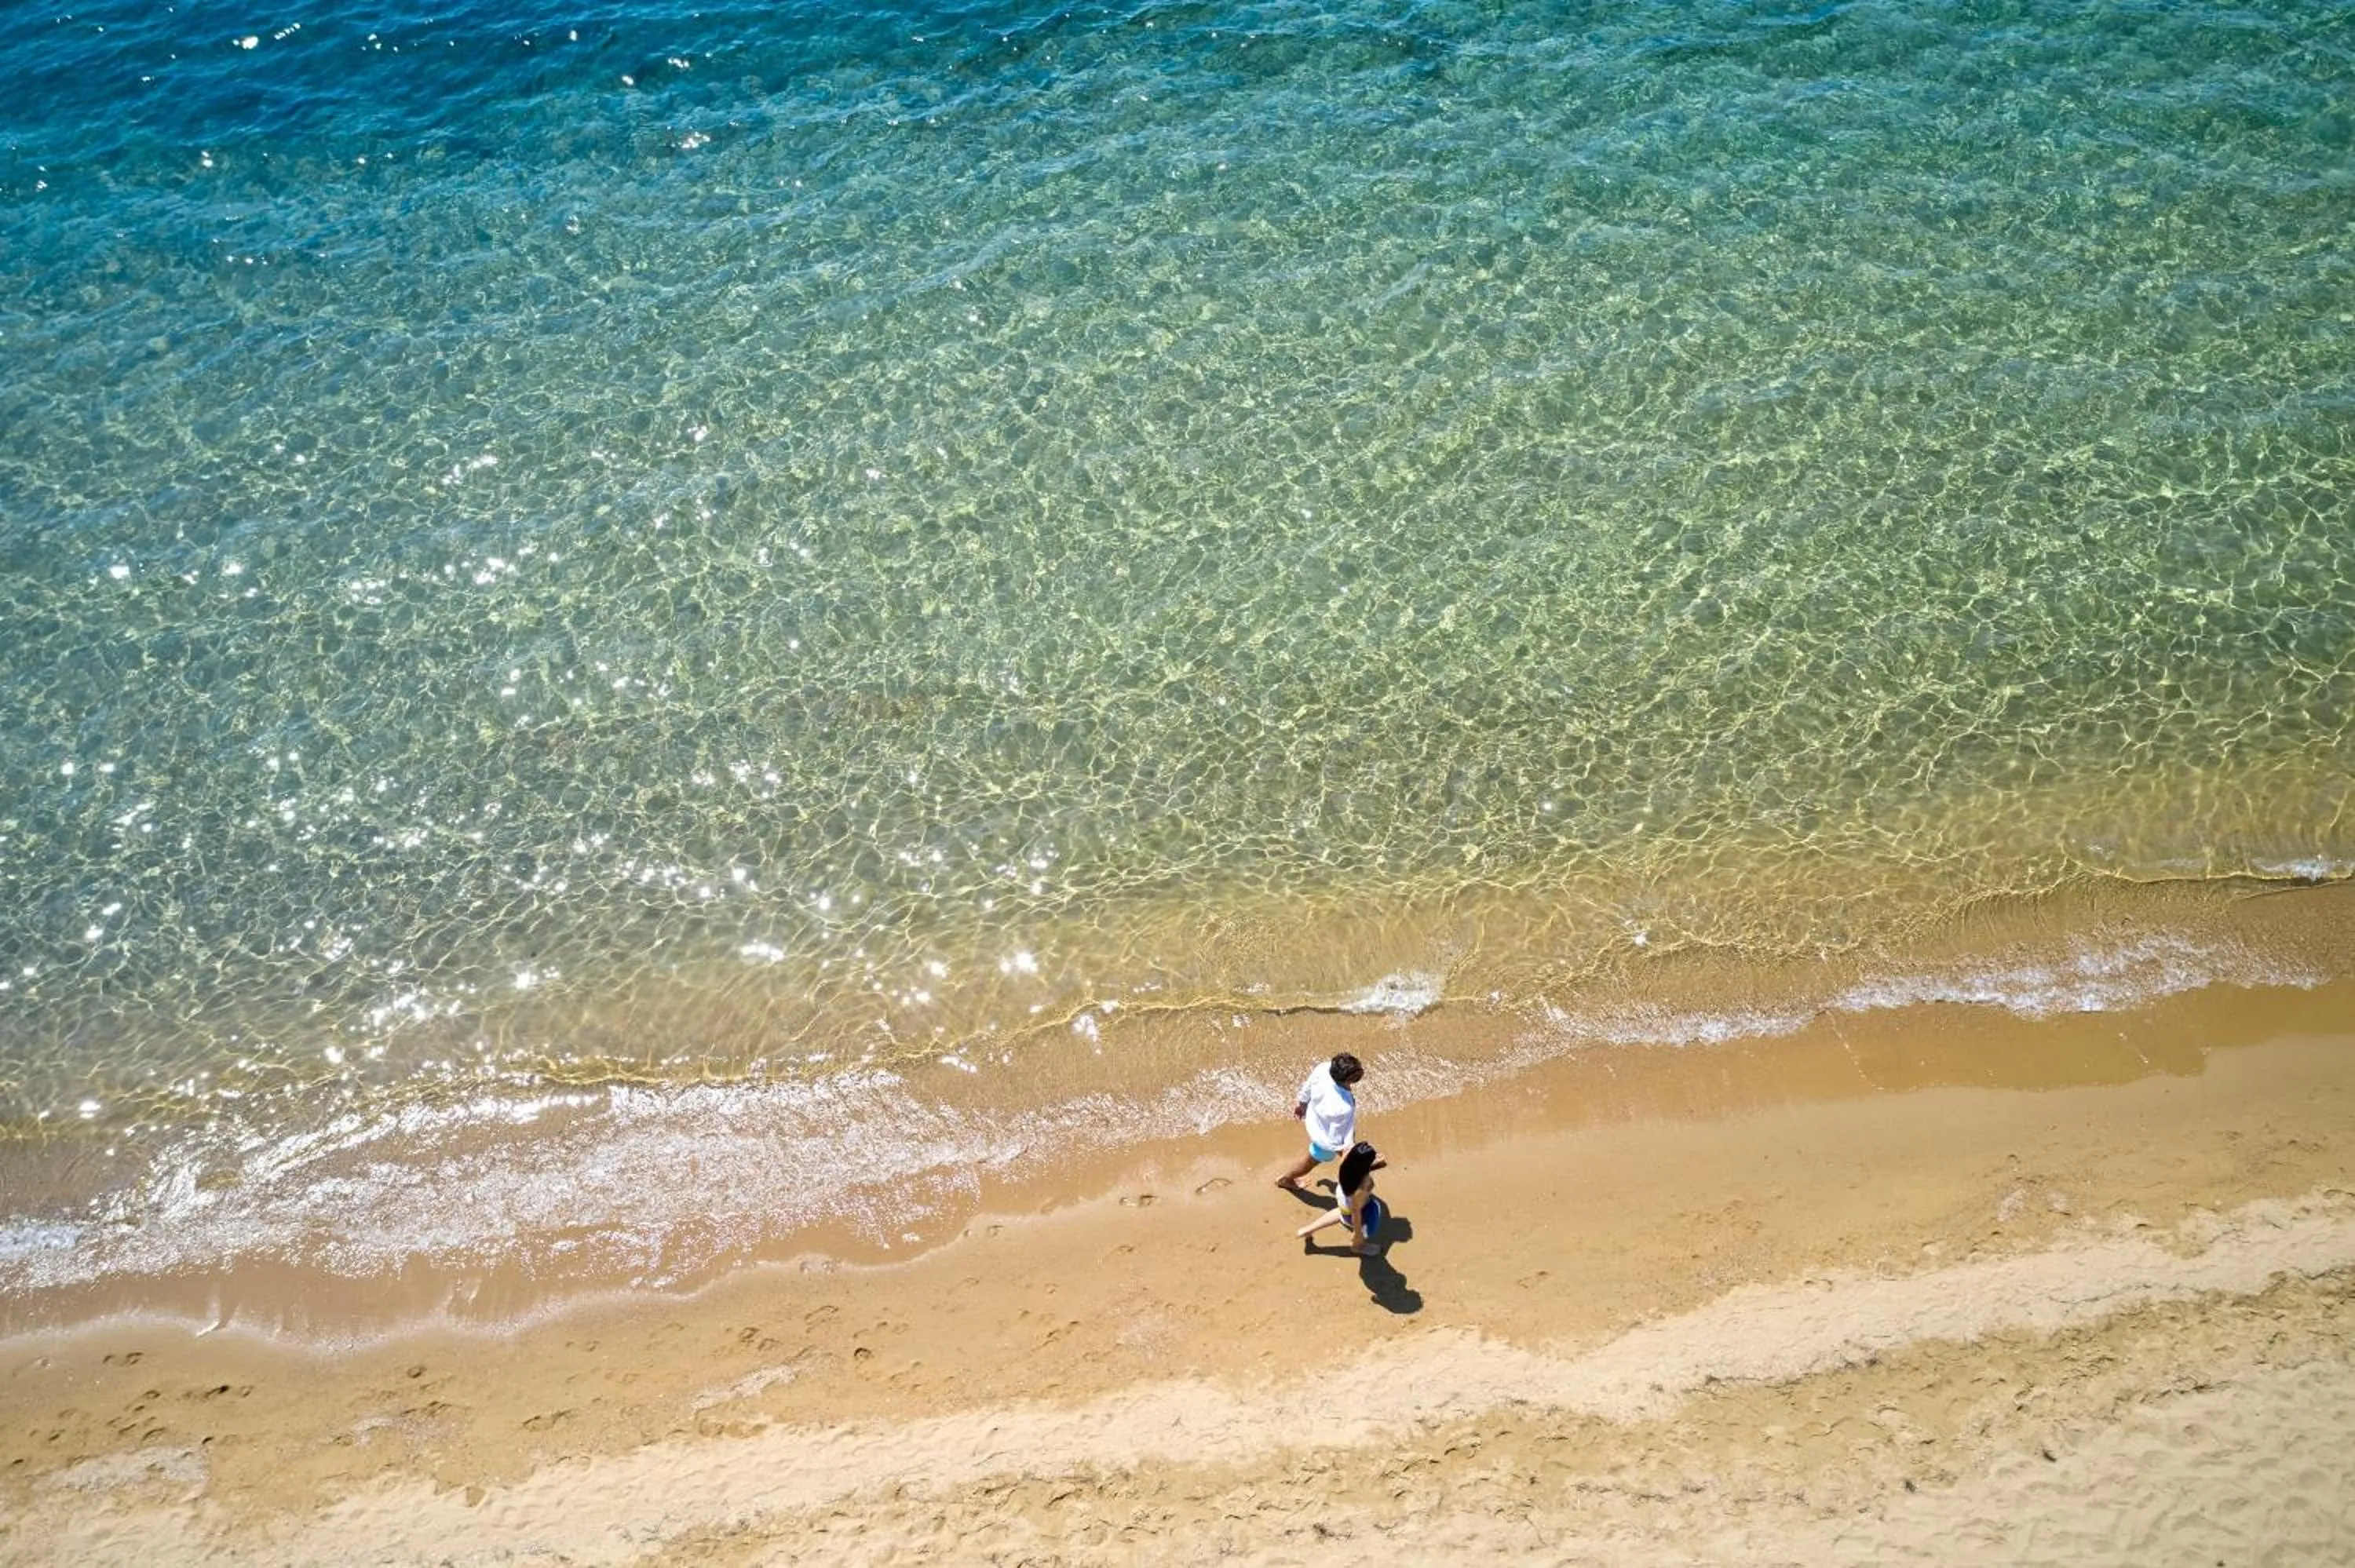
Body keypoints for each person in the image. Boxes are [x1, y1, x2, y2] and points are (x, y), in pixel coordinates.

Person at [1276, 1052, 1364, 1192]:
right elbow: (1336, 1142)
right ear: (1349, 1080)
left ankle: (1358, 1162)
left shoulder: (1324, 1068)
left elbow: (1308, 1086)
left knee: (1351, 1156)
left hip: (1316, 1117)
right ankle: (1286, 1179)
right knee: (1311, 1161)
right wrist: (1348, 1153)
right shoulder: (1343, 1107)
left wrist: (1302, 1104)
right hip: (1325, 1138)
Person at [1297, 1140, 1385, 1255]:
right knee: (1357, 1222)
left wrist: (1375, 1164)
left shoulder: (1346, 1161)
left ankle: (1308, 1230)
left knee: (1341, 1213)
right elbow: (1356, 1211)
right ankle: (1357, 1247)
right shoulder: (1362, 1187)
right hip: (1358, 1208)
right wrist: (1357, 1234)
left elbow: (1358, 1167)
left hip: (1343, 1197)